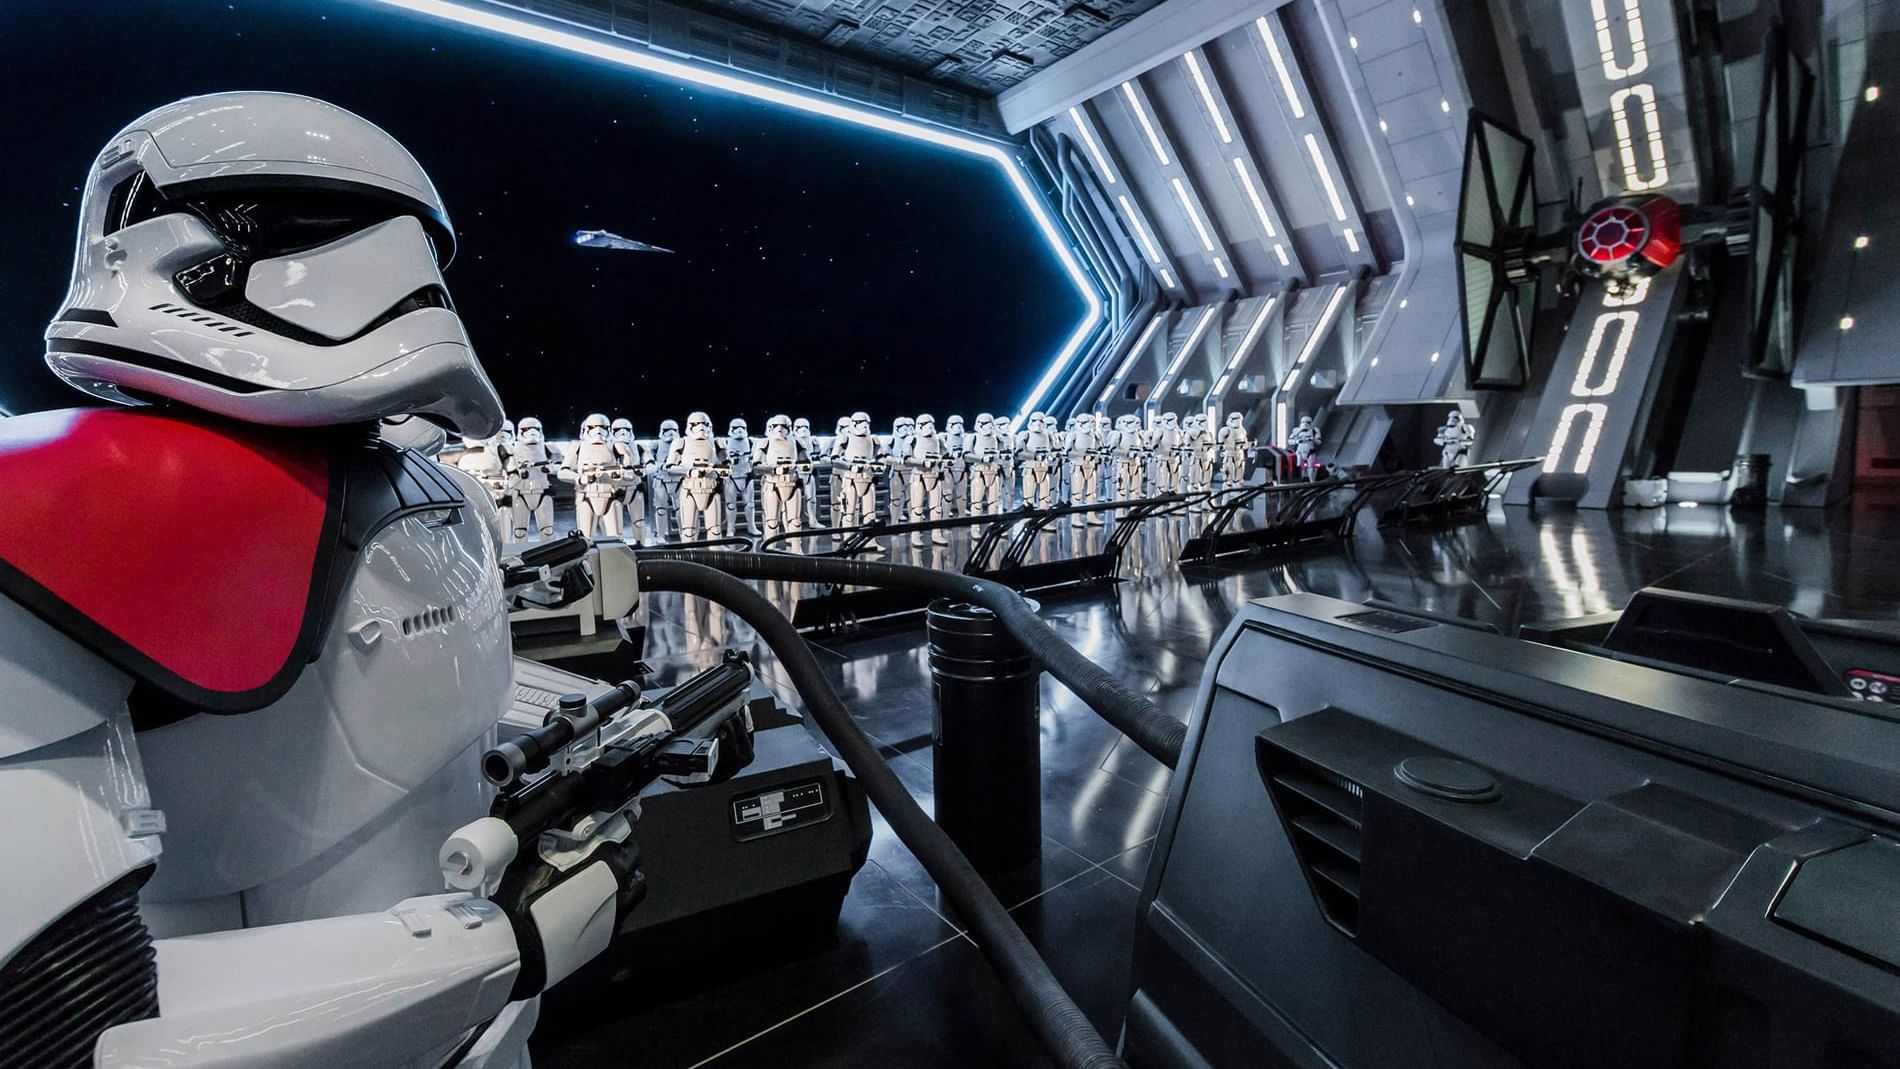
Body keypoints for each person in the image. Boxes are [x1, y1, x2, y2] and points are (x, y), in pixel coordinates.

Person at [13, 91, 624, 1066]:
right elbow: (63, 1030)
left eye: (419, 248)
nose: (402, 285)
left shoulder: (426, 485)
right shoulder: (52, 507)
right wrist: (507, 942)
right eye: (317, 227)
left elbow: (426, 721)